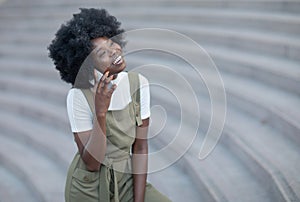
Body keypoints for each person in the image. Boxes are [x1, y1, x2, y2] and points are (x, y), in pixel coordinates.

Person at [48, 8, 171, 202]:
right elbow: (92, 163)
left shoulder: (138, 84)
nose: (114, 51)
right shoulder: (78, 96)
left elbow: (140, 148)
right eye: (102, 53)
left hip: (127, 180)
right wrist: (100, 111)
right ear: (88, 65)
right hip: (89, 188)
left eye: (112, 43)